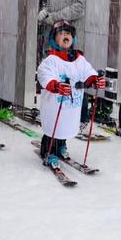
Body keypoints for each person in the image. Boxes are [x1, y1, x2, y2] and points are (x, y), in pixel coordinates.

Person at [36, 20, 106, 168]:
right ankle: (48, 151)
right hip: (55, 103)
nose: (65, 36)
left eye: (68, 33)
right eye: (61, 33)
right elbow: (44, 75)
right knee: (54, 129)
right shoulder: (51, 60)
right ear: (54, 39)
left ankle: (61, 145)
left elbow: (88, 71)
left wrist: (94, 80)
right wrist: (55, 85)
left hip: (72, 104)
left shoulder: (79, 59)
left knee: (65, 126)